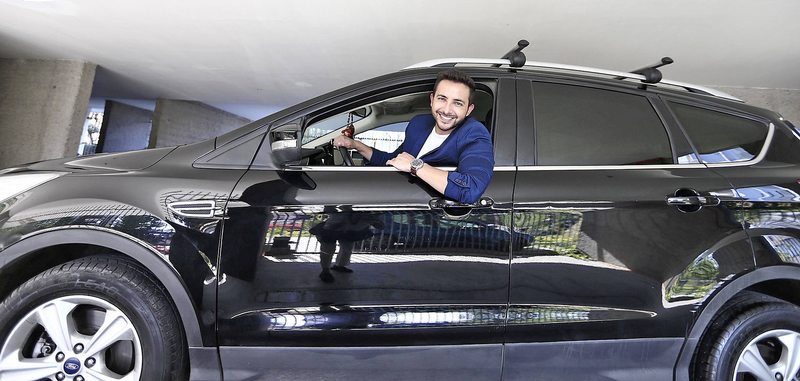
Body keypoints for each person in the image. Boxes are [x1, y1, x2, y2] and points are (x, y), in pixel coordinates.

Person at [333, 69, 494, 204]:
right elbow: (394, 160)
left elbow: (471, 189)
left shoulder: (474, 133)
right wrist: (355, 145)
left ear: (468, 110)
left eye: (457, 103)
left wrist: (415, 165)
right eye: (442, 99)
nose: (446, 110)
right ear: (432, 100)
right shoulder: (419, 124)